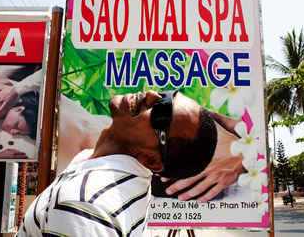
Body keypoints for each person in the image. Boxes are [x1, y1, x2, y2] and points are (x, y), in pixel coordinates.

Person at [16, 90, 218, 237]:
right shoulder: (102, 172)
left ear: (151, 160)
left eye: (162, 112)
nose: (150, 95)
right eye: (165, 95)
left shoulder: (86, 205)